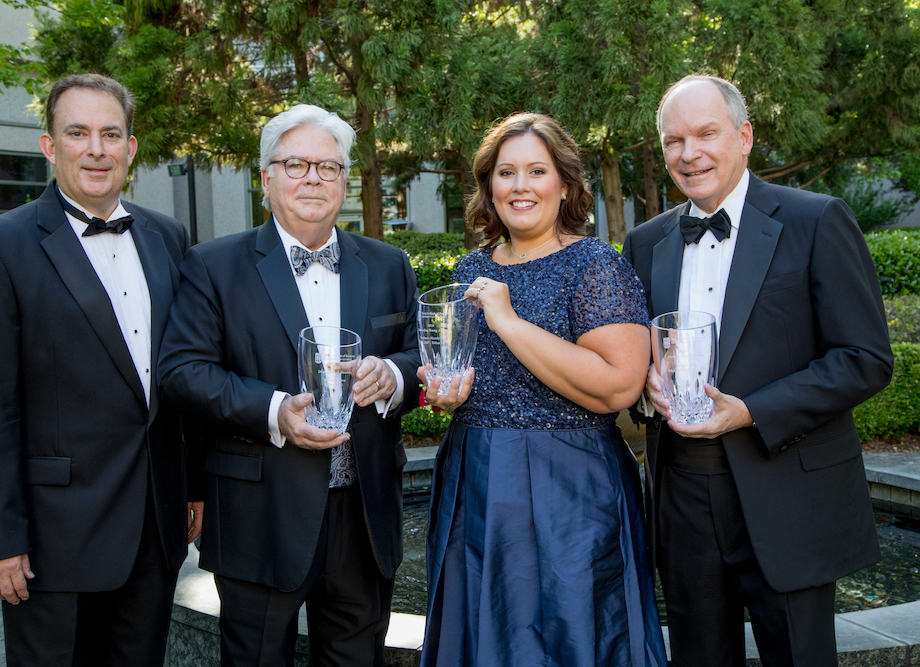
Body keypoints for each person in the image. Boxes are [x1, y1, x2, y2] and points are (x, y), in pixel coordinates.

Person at [622, 75, 894, 666]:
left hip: (789, 489)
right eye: (673, 141)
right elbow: (636, 363)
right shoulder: (644, 244)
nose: (688, 154)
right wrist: (643, 386)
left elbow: (865, 359)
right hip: (684, 497)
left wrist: (749, 410)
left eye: (705, 134)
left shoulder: (817, 219)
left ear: (745, 136)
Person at [0, 73, 202, 666]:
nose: (97, 149)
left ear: (131, 148)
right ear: (50, 146)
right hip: (52, 542)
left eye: (111, 134)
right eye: (77, 133)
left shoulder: (167, 237)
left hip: (154, 532)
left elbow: (181, 376)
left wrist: (193, 485)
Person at [157, 103, 422, 667]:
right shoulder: (212, 265)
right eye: (296, 164)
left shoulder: (389, 262)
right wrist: (276, 411)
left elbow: (420, 355)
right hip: (259, 511)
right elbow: (182, 373)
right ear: (265, 177)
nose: (312, 179)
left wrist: (394, 374)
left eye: (328, 168)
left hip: (364, 514)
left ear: (344, 180)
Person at [420, 113, 667, 667]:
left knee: (573, 636)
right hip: (475, 478)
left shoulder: (596, 266)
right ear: (489, 187)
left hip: (572, 487)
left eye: (537, 170)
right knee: (478, 632)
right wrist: (443, 393)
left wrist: (507, 320)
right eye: (506, 173)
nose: (520, 186)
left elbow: (618, 387)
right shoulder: (471, 268)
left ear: (565, 184)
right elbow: (462, 372)